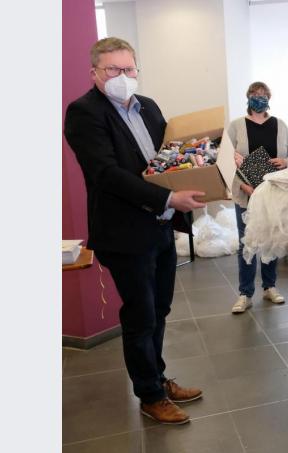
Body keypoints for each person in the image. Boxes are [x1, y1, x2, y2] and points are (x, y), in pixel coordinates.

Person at [64, 37, 205, 425]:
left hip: (159, 226)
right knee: (141, 315)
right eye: (113, 69)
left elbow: (169, 159)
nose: (122, 77)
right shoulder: (83, 113)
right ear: (94, 72)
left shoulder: (150, 107)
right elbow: (106, 175)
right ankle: (149, 395)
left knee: (160, 308)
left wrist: (209, 159)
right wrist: (168, 200)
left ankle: (157, 377)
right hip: (124, 232)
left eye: (129, 69)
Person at [230, 82, 288, 313]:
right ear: (247, 97)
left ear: (270, 98)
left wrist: (285, 162)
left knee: (270, 240)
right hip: (246, 193)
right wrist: (244, 186)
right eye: (254, 95)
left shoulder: (279, 124)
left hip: (273, 193)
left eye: (263, 95)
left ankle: (270, 287)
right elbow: (228, 160)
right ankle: (245, 293)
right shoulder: (236, 126)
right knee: (246, 242)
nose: (259, 98)